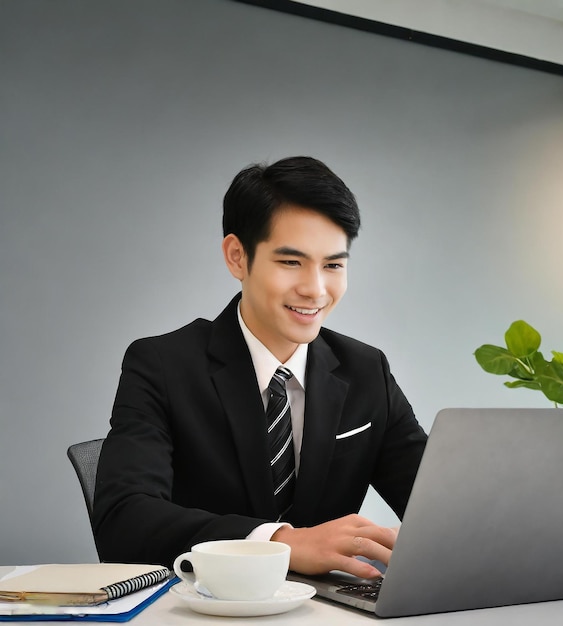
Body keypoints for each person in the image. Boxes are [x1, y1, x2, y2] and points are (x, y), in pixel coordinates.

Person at [93, 156, 428, 579]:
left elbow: (437, 509)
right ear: (237, 257)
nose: (315, 289)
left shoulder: (366, 370)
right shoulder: (161, 365)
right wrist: (280, 543)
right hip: (205, 609)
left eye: (334, 265)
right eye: (291, 262)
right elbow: (122, 521)